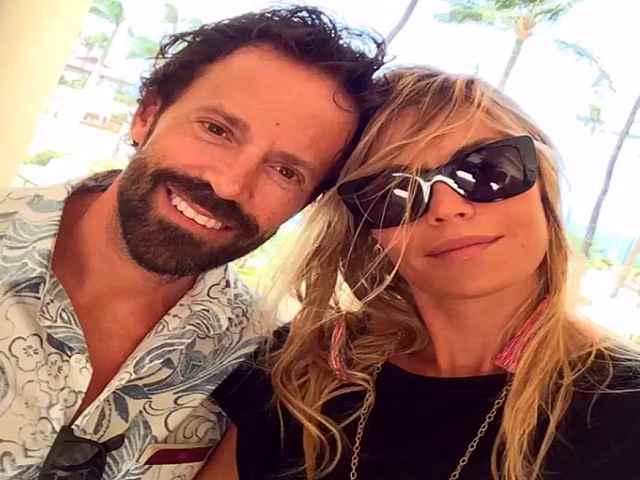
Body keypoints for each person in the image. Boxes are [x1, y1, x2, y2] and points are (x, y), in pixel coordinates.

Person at [0, 6, 385, 479]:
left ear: (305, 203)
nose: (229, 184)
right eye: (217, 130)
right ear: (146, 115)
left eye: (286, 171)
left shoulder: (262, 364)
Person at [202, 67, 640, 480]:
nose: (446, 208)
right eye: (392, 193)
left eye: (486, 169)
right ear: (366, 231)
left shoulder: (625, 407)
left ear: (542, 184)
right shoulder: (302, 369)